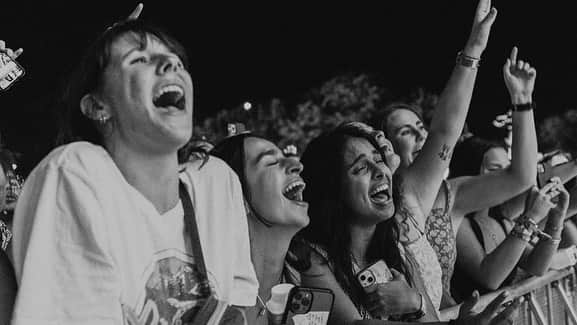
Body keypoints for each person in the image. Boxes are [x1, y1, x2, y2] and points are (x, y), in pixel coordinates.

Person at [8, 17, 258, 325]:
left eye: (176, 60)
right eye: (138, 59)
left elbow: (243, 310)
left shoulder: (218, 185)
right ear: (98, 106)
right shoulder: (76, 172)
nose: (170, 63)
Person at [297, 122, 520, 325]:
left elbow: (430, 318)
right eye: (360, 168)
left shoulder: (398, 248)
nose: (380, 171)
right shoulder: (313, 259)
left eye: (378, 160)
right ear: (332, 190)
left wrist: (417, 303)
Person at [380, 46, 539, 307]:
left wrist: (522, 101)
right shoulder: (375, 208)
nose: (422, 136)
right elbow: (445, 130)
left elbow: (522, 176)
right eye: (406, 132)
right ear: (385, 148)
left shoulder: (449, 195)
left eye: (422, 127)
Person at [449, 134, 569, 301]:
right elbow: (490, 278)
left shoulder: (500, 219)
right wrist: (531, 217)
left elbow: (537, 266)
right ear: (468, 173)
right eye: (494, 170)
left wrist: (556, 219)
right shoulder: (457, 222)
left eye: (508, 171)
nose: (506, 180)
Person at [211, 133, 309, 324]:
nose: (297, 165)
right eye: (272, 162)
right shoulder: (212, 297)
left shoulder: (308, 286)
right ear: (236, 196)